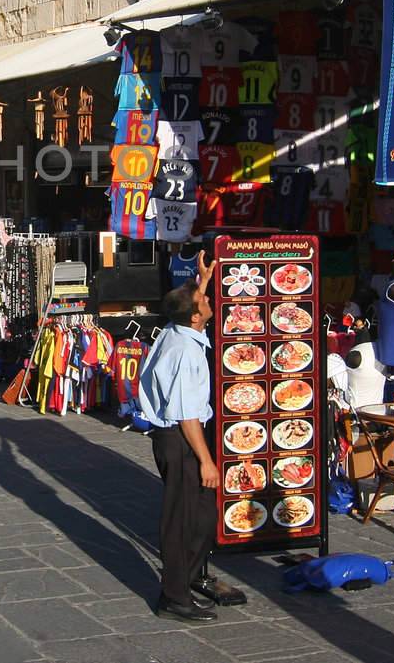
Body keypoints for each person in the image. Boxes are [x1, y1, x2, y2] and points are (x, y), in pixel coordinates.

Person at [138, 258, 232, 624]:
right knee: (181, 519)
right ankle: (174, 597)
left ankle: (189, 578)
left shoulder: (176, 330)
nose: (210, 304)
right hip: (181, 438)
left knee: (202, 513)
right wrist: (206, 460)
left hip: (178, 436)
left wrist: (202, 282)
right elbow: (186, 414)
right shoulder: (187, 352)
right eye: (206, 302)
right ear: (196, 317)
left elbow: (190, 307)